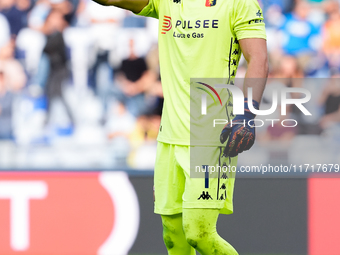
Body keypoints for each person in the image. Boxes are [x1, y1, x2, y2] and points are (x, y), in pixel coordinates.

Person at [91, 0, 268, 254]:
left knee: (199, 233)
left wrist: (247, 114)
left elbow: (258, 57)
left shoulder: (240, 3)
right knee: (173, 236)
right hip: (169, 135)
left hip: (212, 136)